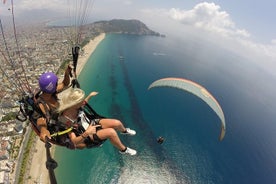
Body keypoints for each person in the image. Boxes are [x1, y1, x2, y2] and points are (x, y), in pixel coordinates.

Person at [57, 88, 137, 155]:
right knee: (111, 132)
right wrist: (87, 133)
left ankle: (124, 131)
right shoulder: (65, 119)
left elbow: (84, 102)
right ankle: (123, 150)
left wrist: (90, 95)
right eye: (81, 100)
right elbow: (74, 142)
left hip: (92, 122)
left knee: (117, 123)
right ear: (75, 103)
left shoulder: (76, 106)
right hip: (87, 134)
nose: (83, 102)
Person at [36, 65, 72, 142]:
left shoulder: (50, 92)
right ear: (51, 87)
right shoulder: (42, 105)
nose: (57, 85)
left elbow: (65, 84)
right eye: (56, 84)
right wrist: (44, 131)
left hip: (63, 116)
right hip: (58, 125)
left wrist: (67, 73)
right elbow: (40, 121)